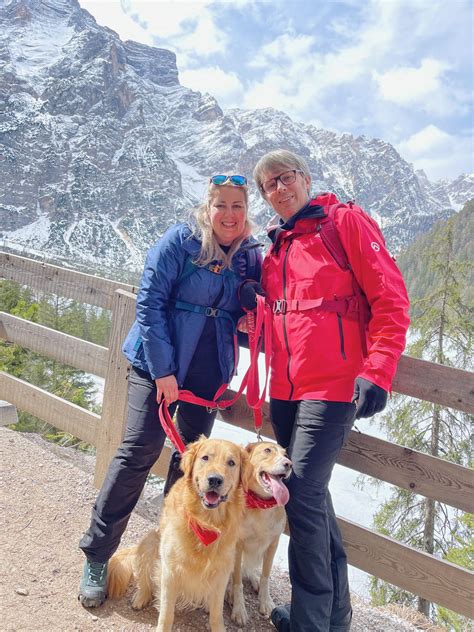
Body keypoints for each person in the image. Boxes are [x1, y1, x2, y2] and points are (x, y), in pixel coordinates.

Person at [240, 150, 410, 632]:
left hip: (333, 388)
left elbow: (391, 300)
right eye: (268, 184)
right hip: (288, 392)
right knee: (313, 498)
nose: (278, 189)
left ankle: (311, 622)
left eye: (285, 178)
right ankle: (334, 615)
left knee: (297, 492)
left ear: (306, 178)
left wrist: (378, 369)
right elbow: (283, 316)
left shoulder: (345, 223)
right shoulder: (278, 247)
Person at [78, 174, 262, 608]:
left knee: (190, 467)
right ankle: (98, 555)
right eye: (222, 205)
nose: (230, 215)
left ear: (245, 211)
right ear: (208, 206)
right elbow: (150, 302)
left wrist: (244, 323)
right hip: (156, 364)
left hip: (206, 376)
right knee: (138, 451)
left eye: (238, 206)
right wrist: (163, 372)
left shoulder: (249, 257)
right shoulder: (180, 241)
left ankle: (172, 556)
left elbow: (240, 310)